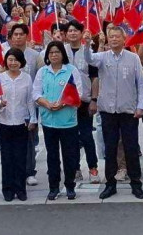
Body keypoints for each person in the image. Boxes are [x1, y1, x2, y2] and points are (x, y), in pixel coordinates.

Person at [84, 23, 143, 200]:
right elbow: (89, 58)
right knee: (110, 149)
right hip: (108, 111)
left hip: (128, 111)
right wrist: (87, 43)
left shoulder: (133, 58)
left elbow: (141, 85)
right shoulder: (103, 57)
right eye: (111, 36)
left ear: (124, 38)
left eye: (117, 36)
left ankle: (136, 183)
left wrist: (140, 106)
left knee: (130, 148)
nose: (114, 39)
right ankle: (110, 184)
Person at [33, 40, 83, 200]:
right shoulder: (42, 72)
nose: (54, 55)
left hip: (68, 121)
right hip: (49, 122)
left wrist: (62, 104)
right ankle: (53, 187)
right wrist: (46, 103)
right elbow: (36, 93)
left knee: (70, 156)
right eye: (51, 52)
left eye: (57, 52)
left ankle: (70, 186)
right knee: (52, 156)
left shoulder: (71, 70)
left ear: (63, 54)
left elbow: (78, 93)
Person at [6, 23, 44, 187]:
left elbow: (41, 78)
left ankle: (29, 171)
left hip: (30, 104)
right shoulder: (6, 55)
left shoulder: (35, 56)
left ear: (26, 36)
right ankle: (14, 171)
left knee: (29, 140)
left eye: (21, 34)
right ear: (11, 37)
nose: (18, 37)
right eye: (15, 34)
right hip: (9, 106)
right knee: (11, 142)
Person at [62, 20, 99, 183]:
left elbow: (94, 78)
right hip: (66, 102)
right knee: (70, 137)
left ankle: (93, 168)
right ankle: (74, 168)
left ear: (81, 33)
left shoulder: (88, 52)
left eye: (76, 31)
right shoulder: (62, 52)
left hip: (84, 100)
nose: (72, 33)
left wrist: (94, 99)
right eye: (70, 31)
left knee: (86, 136)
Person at [0, 48, 35, 202]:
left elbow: (30, 100)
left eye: (16, 60)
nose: (13, 63)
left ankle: (20, 189)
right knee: (6, 157)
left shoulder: (26, 78)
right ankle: (7, 189)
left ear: (21, 62)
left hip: (21, 121)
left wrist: (33, 118)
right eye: (10, 59)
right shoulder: (0, 78)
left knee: (21, 156)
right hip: (5, 121)